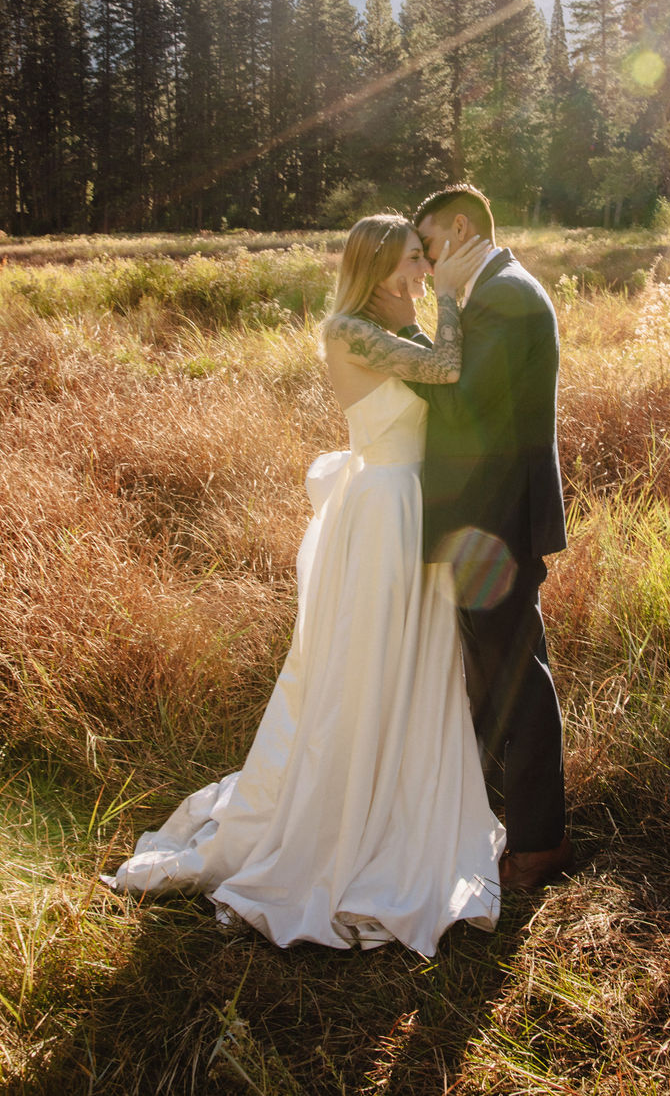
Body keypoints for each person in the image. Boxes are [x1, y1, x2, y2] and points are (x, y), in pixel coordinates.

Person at [103, 215, 504, 955]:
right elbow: (447, 367)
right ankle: (346, 816)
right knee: (366, 663)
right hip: (384, 510)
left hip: (414, 507)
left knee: (410, 666)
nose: (424, 268)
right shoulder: (348, 330)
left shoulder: (394, 329)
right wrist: (451, 296)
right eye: (416, 259)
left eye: (426, 260)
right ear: (379, 267)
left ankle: (398, 797)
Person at [371, 184, 571, 892]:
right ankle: (493, 823)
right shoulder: (504, 289)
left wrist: (396, 347)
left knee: (517, 683)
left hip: (488, 524)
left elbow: (460, 399)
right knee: (502, 675)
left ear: (459, 230)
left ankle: (537, 846)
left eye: (427, 247)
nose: (424, 265)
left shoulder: (501, 296)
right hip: (494, 518)